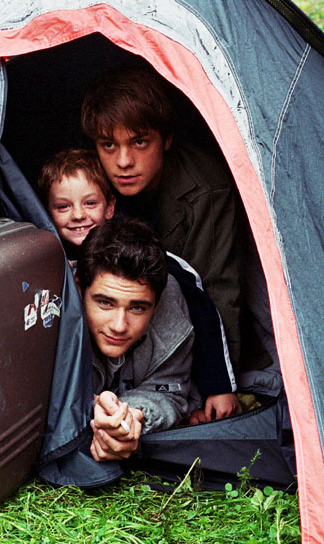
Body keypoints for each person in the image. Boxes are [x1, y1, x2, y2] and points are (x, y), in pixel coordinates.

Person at [82, 66, 272, 420]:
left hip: (180, 329)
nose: (123, 162)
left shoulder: (205, 190)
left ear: (166, 139)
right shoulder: (88, 181)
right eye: (109, 145)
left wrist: (216, 385)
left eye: (140, 142)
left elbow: (216, 287)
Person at [38, 148, 237, 426]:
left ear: (109, 207)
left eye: (90, 203)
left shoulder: (141, 255)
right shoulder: (41, 267)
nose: (78, 215)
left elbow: (202, 307)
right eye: (63, 207)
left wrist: (219, 384)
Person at [76, 218, 198, 462]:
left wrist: (134, 414)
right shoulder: (48, 318)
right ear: (79, 289)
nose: (119, 326)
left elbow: (171, 391)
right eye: (105, 303)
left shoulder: (173, 320)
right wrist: (89, 407)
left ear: (157, 305)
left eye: (137, 308)